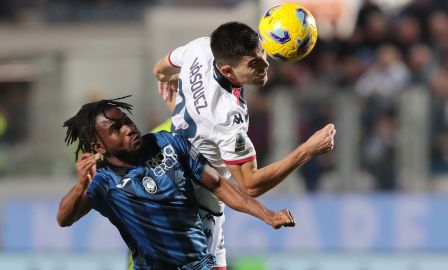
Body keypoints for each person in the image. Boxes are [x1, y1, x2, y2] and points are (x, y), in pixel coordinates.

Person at [153, 21, 336, 268]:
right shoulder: (226, 116)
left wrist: (174, 92)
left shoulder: (201, 47)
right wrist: (307, 150)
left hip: (180, 190)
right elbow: (251, 185)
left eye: (261, 55)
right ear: (227, 71)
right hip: (194, 211)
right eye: (254, 64)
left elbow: (160, 70)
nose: (265, 65)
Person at [56, 96, 296, 269]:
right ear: (99, 146)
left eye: (127, 120)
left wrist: (268, 215)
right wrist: (80, 186)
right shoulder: (103, 181)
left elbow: (219, 186)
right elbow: (64, 219)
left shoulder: (167, 143)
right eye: (116, 129)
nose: (129, 128)